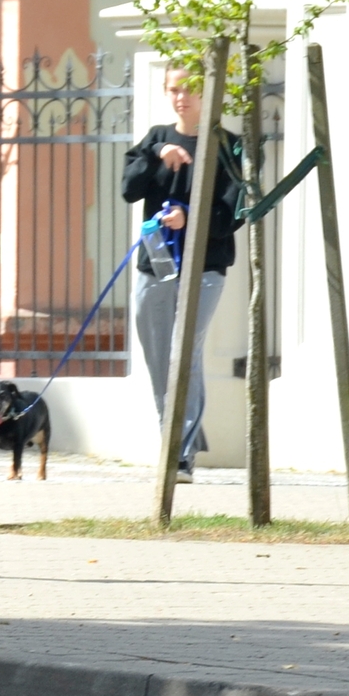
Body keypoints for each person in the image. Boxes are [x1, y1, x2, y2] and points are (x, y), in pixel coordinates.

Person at [122, 60, 241, 481]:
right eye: (174, 89)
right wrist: (157, 156)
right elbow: (128, 189)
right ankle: (176, 438)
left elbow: (234, 212)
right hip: (154, 267)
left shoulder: (227, 144)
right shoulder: (156, 139)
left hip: (205, 268)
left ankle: (181, 454)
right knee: (159, 358)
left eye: (189, 89)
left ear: (208, 92)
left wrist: (190, 218)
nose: (181, 97)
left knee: (184, 351)